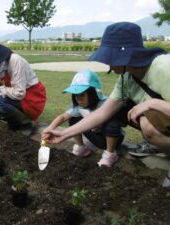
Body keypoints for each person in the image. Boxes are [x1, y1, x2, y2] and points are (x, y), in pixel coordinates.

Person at [44, 22, 170, 186]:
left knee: (148, 123)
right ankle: (158, 143)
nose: (107, 62)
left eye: (111, 57)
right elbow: (101, 113)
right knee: (118, 110)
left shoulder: (163, 67)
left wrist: (152, 103)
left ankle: (157, 141)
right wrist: (65, 133)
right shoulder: (126, 79)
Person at [42, 70, 124, 167]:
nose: (79, 100)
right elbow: (63, 116)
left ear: (94, 92)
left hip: (113, 139)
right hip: (96, 138)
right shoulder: (80, 107)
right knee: (73, 119)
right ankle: (81, 148)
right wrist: (50, 128)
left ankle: (110, 154)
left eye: (82, 95)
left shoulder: (106, 104)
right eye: (76, 96)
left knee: (112, 123)